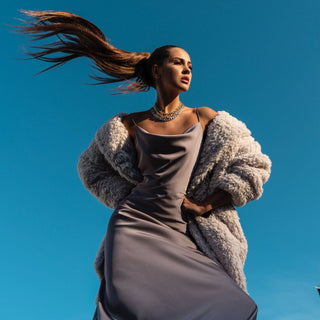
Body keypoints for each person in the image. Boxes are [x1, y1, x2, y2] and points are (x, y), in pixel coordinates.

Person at [17, 10, 271, 320]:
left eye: (190, 64)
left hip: (186, 232)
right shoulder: (127, 124)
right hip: (134, 227)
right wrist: (124, 196)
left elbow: (253, 165)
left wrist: (207, 205)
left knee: (234, 308)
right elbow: (90, 168)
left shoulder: (205, 118)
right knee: (134, 311)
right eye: (178, 62)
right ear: (156, 70)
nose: (187, 69)